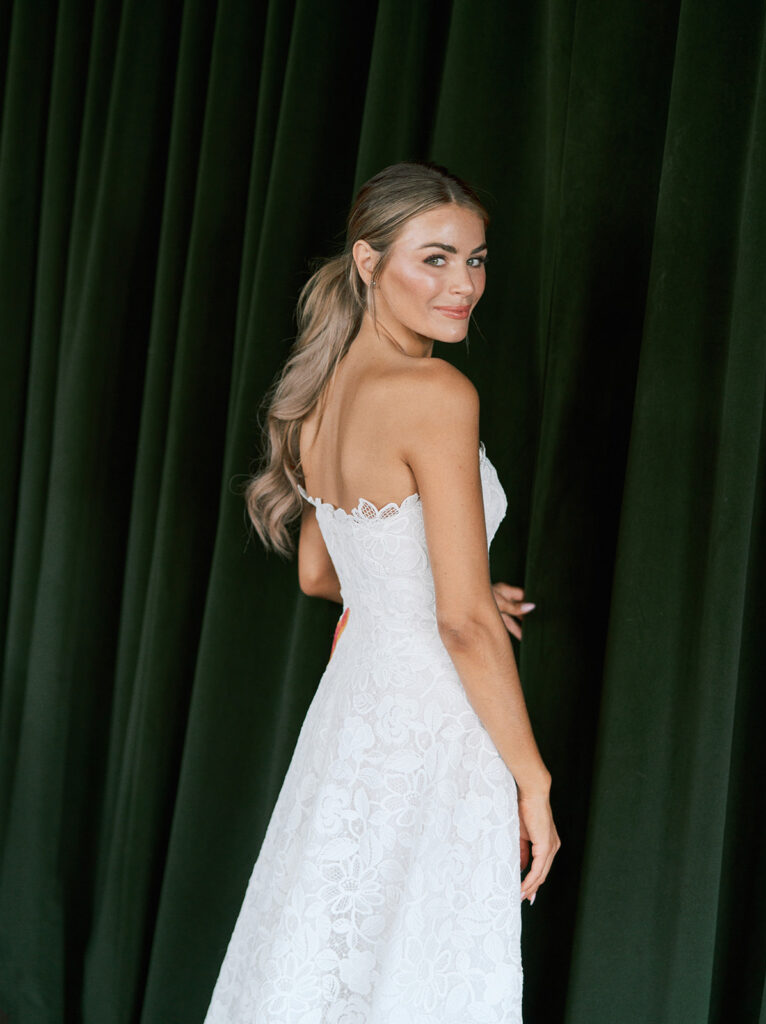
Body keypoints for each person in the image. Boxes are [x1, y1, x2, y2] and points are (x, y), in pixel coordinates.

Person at [204, 161, 560, 1023]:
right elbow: (463, 624)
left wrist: (431, 587)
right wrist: (534, 782)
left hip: (356, 716)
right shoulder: (436, 392)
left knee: (333, 950)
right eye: (434, 259)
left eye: (475, 260)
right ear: (368, 262)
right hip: (435, 720)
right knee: (418, 970)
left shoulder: (321, 393)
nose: (463, 285)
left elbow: (322, 574)